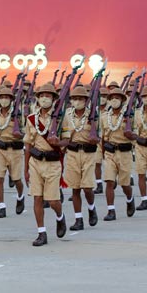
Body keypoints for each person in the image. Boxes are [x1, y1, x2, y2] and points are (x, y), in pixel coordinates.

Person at [24, 84, 67, 246]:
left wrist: (59, 141)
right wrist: (26, 169)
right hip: (35, 161)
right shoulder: (32, 119)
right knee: (37, 198)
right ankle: (41, 233)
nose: (44, 98)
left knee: (53, 200)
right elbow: (28, 144)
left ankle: (60, 216)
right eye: (42, 95)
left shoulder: (61, 118)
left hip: (53, 163)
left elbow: (68, 140)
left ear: (54, 99)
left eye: (48, 96)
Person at [56, 86, 99, 231]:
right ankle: (78, 219)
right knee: (75, 189)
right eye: (74, 99)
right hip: (73, 153)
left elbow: (100, 135)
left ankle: (91, 208)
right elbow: (63, 134)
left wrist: (96, 139)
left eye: (80, 99)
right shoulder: (67, 115)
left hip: (88, 153)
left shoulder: (94, 115)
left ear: (86, 101)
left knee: (87, 188)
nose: (77, 101)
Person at [0, 86, 25, 218]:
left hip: (15, 150)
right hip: (1, 150)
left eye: (7, 97)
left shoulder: (19, 115)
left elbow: (25, 133)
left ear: (11, 100)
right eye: (2, 97)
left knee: (16, 180)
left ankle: (20, 196)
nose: (4, 100)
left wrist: (18, 133)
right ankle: (2, 207)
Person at [100, 88, 135, 220]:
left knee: (124, 184)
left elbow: (135, 135)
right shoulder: (104, 117)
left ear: (122, 100)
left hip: (125, 153)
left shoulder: (129, 116)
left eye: (117, 98)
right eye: (112, 98)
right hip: (110, 153)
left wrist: (130, 134)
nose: (115, 100)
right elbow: (103, 137)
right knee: (109, 182)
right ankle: (111, 210)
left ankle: (130, 199)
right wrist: (103, 153)